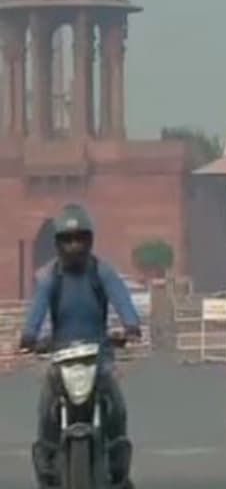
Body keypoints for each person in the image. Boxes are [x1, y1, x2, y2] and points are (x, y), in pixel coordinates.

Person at [18, 204, 143, 489]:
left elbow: (121, 298)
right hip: (61, 356)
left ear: (90, 241)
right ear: (58, 243)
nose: (74, 246)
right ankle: (47, 462)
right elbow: (37, 310)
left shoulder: (102, 272)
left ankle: (117, 464)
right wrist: (28, 336)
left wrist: (130, 325)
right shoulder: (50, 277)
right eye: (68, 239)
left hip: (98, 355)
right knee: (47, 406)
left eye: (80, 239)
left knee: (117, 406)